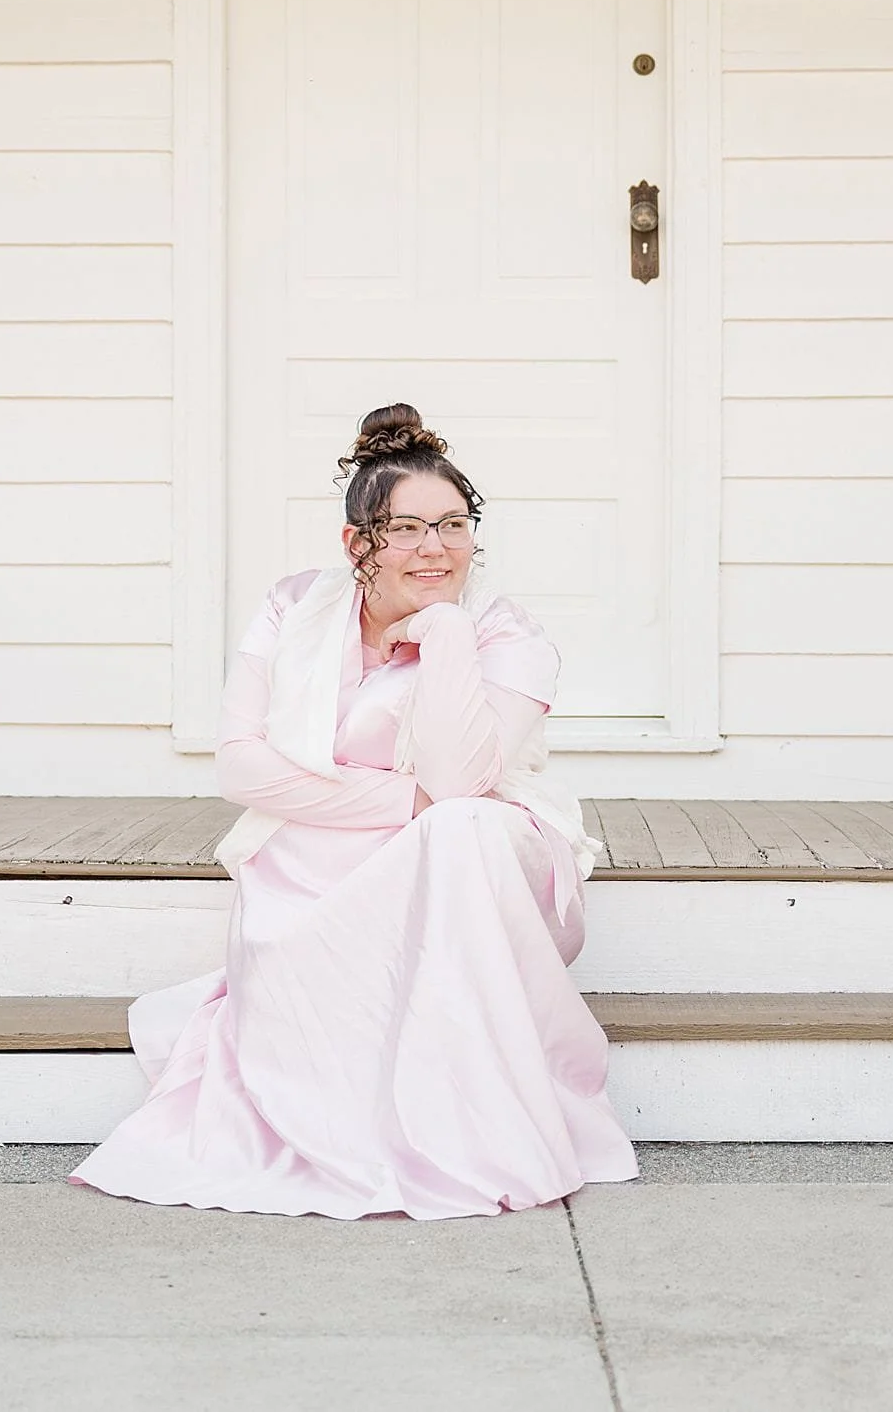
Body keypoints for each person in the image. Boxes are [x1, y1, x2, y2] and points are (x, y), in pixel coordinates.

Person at [70, 403, 638, 1219]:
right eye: (406, 528)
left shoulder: (507, 632)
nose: (435, 547)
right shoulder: (294, 608)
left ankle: (478, 1123)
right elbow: (241, 763)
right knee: (390, 828)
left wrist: (443, 634)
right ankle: (342, 1114)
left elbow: (460, 782)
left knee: (457, 829)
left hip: (488, 860)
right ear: (356, 543)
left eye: (453, 524)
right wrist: (396, 799)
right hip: (318, 859)